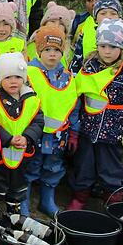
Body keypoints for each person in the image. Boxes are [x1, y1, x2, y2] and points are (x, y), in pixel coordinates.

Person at [67, 19, 123, 210]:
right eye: (103, 45)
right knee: (84, 166)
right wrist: (74, 128)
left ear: (122, 47)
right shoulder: (89, 66)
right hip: (88, 129)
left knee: (111, 169)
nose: (107, 51)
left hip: (113, 133)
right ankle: (80, 198)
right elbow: (78, 96)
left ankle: (113, 201)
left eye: (113, 46)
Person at [0, 52, 43, 229]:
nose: (14, 81)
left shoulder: (31, 98)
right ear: (0, 79)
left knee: (18, 184)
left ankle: (13, 213)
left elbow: (38, 121)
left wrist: (27, 137)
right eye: (8, 77)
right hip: (0, 152)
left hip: (23, 151)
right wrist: (7, 139)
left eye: (18, 77)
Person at [24, 26, 80, 216]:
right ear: (39, 51)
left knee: (53, 167)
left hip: (58, 135)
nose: (52, 54)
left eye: (57, 50)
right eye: (47, 50)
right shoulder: (28, 74)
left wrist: (74, 132)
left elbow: (74, 105)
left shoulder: (68, 77)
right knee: (31, 166)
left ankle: (47, 201)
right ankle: (24, 202)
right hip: (35, 133)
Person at [69, 0, 123, 75]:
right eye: (103, 13)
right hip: (91, 76)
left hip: (120, 77)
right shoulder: (86, 32)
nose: (108, 16)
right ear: (95, 18)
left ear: (119, 17)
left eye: (113, 13)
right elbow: (77, 60)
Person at [24, 1, 76, 68]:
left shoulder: (69, 52)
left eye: (61, 24)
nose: (56, 26)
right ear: (44, 24)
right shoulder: (31, 46)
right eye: (52, 21)